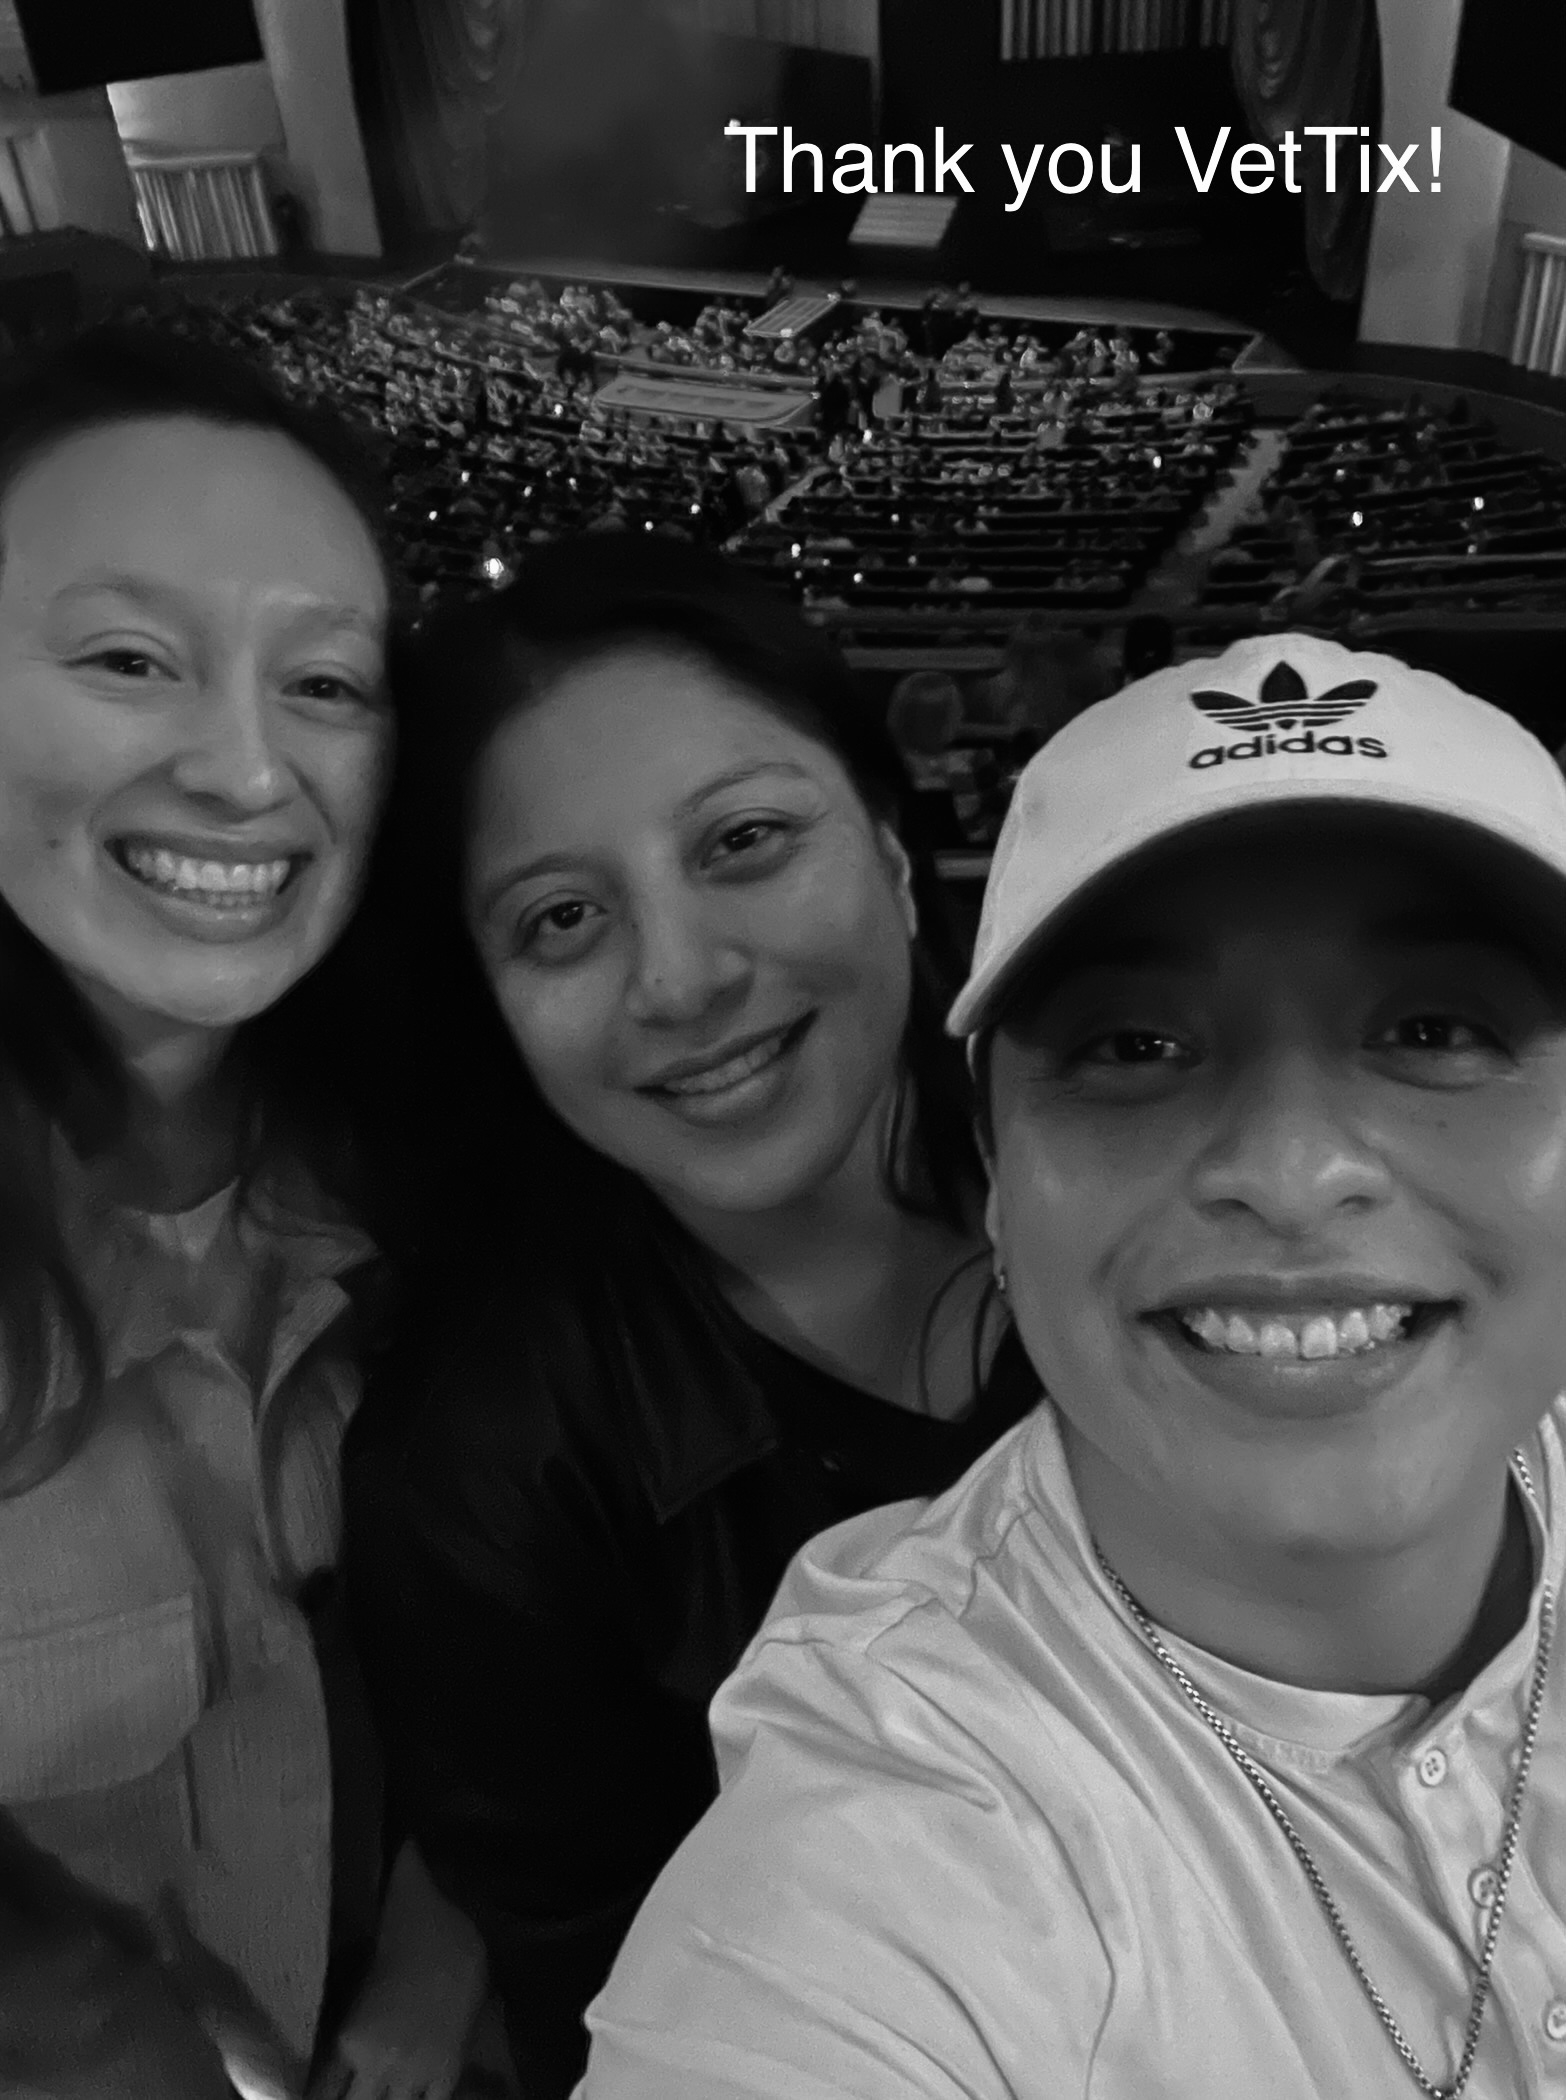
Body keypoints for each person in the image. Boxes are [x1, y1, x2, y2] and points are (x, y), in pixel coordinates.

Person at [575, 631, 1566, 2098]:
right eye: (1135, 1046)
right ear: (994, 1170)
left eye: (1435, 1028)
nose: (1291, 1172)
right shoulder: (894, 1835)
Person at [342, 534, 1042, 2097]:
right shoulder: (479, 1472)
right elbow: (606, 1989)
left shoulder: (1166, 1183)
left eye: (741, 841)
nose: (678, 980)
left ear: (890, 844)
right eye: (559, 920)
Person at [0, 328, 489, 2100]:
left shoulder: (464, 1165)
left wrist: (445, 1939)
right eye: (130, 660)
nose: (244, 770)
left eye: (325, 684)